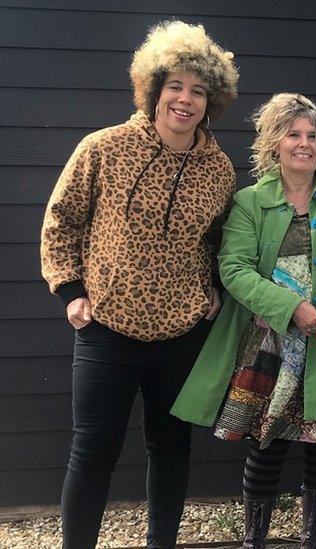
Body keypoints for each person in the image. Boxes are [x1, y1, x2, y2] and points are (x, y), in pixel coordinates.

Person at [39, 20, 238, 549]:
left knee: (171, 447)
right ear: (153, 89)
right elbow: (62, 221)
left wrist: (212, 293)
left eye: (198, 91)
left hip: (182, 335)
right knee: (92, 451)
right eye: (174, 86)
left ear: (210, 101)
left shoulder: (219, 170)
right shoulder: (103, 148)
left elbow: (221, 243)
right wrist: (69, 291)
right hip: (106, 328)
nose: (185, 99)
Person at [171, 93, 316, 549]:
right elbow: (233, 268)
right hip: (269, 346)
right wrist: (289, 307)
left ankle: (311, 540)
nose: (304, 144)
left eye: (312, 135)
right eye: (294, 134)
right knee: (266, 443)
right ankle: (254, 540)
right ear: (275, 142)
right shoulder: (250, 201)